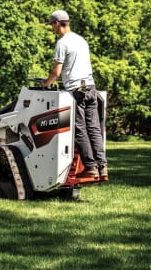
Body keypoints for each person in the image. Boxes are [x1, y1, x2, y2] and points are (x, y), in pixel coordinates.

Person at [41, 10, 107, 178]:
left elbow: (56, 71)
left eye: (52, 25)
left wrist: (45, 83)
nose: (52, 29)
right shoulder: (81, 40)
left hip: (76, 90)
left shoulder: (62, 43)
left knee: (79, 129)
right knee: (94, 129)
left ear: (57, 23)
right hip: (90, 87)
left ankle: (91, 167)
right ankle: (102, 166)